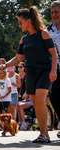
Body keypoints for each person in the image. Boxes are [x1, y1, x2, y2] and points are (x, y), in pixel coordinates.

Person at [0, 6, 57, 143]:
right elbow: (18, 58)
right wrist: (5, 65)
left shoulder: (43, 34)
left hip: (44, 71)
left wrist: (54, 70)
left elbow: (53, 53)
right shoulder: (23, 40)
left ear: (29, 21)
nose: (19, 25)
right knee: (36, 103)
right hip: (30, 73)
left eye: (21, 22)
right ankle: (44, 133)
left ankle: (44, 134)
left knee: (40, 98)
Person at [48, 1, 60, 138]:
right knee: (54, 97)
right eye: (52, 12)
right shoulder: (48, 29)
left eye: (56, 12)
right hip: (55, 69)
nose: (54, 15)